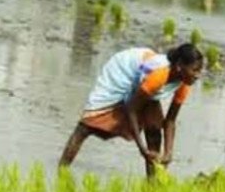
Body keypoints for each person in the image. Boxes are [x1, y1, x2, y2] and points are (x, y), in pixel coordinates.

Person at [59, 44, 204, 176]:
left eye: (200, 70)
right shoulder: (159, 76)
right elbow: (132, 108)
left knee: (154, 130)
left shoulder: (184, 83)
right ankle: (62, 172)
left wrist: (168, 153)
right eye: (195, 70)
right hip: (124, 70)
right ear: (179, 66)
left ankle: (153, 185)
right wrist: (142, 148)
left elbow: (170, 121)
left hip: (145, 82)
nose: (198, 75)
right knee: (86, 126)